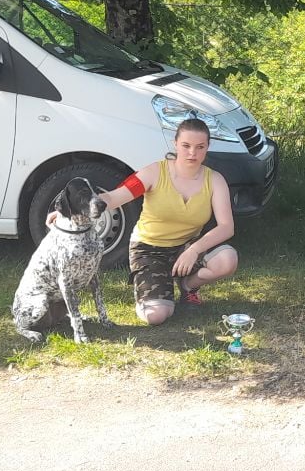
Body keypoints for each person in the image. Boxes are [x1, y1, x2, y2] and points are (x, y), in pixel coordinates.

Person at [99, 118, 238, 325]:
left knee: (227, 259)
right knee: (155, 316)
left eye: (200, 147)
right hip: (148, 249)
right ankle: (156, 288)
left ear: (207, 147)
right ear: (175, 144)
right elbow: (114, 197)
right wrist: (72, 208)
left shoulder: (215, 179)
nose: (192, 153)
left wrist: (193, 250)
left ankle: (188, 286)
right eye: (186, 146)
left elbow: (227, 227)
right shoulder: (154, 172)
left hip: (185, 248)